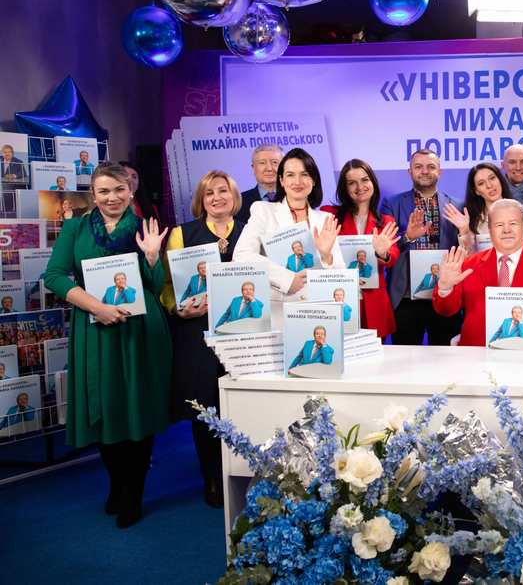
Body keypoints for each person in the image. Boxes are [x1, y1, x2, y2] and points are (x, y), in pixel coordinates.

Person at [43, 164, 171, 528]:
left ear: (130, 191)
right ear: (93, 194)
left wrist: (151, 257)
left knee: (138, 408)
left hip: (140, 330)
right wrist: (96, 306)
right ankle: (117, 482)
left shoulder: (145, 227)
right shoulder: (75, 229)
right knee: (105, 407)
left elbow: (155, 284)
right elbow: (53, 276)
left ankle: (134, 493)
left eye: (118, 190)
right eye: (104, 191)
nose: (112, 197)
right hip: (96, 328)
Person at [159, 169, 245, 509]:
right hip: (197, 332)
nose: (217, 198)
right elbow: (168, 285)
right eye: (209, 193)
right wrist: (178, 309)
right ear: (201, 200)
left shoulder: (250, 231)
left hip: (242, 334)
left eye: (223, 191)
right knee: (204, 405)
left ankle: (243, 472)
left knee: (240, 403)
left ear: (234, 196)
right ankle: (211, 477)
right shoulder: (182, 234)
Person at [433, 199, 523, 349]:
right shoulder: (469, 265)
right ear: (490, 230)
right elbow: (446, 310)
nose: (506, 230)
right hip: (477, 354)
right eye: (499, 225)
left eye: (513, 223)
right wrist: (445, 288)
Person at [233, 148, 344, 328]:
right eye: (290, 175)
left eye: (304, 174)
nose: (297, 181)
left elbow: (340, 275)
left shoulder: (325, 219)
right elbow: (242, 255)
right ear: (282, 181)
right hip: (278, 316)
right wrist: (285, 278)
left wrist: (325, 256)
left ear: (314, 180)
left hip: (318, 317)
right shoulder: (263, 211)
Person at [382, 149, 464, 345]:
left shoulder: (458, 205)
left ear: (440, 171)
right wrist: (407, 237)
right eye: (418, 167)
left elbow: (466, 250)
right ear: (410, 171)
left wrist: (465, 231)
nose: (425, 171)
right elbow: (385, 249)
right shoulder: (391, 204)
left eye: (431, 167)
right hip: (406, 297)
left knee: (445, 357)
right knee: (405, 358)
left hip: (444, 294)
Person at [322, 159, 400, 340]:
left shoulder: (385, 220)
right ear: (344, 188)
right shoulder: (330, 214)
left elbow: (393, 255)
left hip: (374, 302)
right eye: (352, 183)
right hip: (340, 297)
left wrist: (382, 253)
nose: (360, 187)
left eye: (365, 180)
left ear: (373, 182)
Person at [445, 163, 523, 254]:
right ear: (476, 191)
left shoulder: (522, 214)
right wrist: (465, 231)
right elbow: (470, 257)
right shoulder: (474, 222)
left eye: (492, 178)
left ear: (500, 180)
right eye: (481, 183)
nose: (489, 185)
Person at [237, 145, 283, 223]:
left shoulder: (294, 197)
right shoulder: (239, 202)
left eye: (275, 162)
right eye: (262, 163)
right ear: (253, 168)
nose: (269, 168)